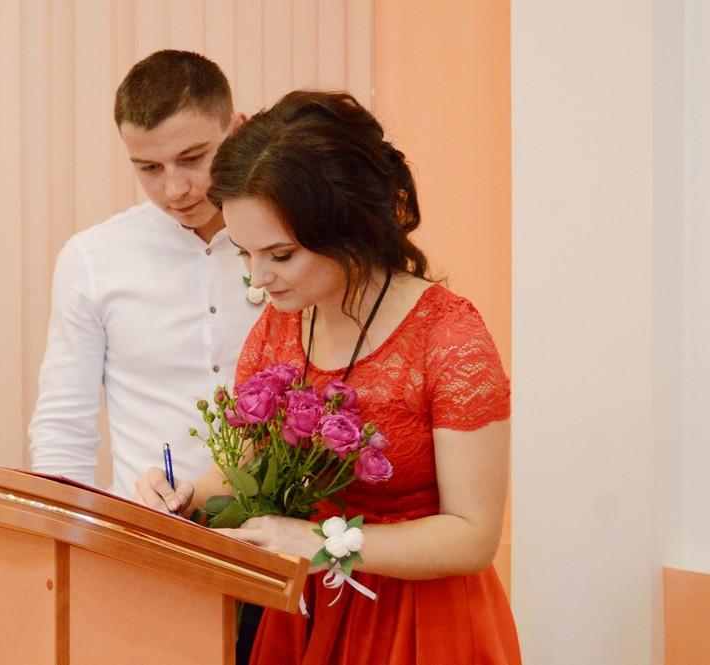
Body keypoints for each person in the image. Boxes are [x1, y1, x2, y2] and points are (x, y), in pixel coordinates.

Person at [134, 90, 521, 664]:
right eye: (244, 254)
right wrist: (187, 496)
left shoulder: (449, 339)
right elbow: (244, 466)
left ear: (350, 231)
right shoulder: (278, 328)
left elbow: (472, 536)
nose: (258, 279)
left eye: (280, 255)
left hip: (420, 624)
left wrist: (323, 542)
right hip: (308, 614)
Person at [27, 50, 262, 497]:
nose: (174, 189)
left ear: (237, 130)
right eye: (150, 168)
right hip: (144, 526)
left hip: (280, 529)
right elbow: (63, 427)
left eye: (192, 158)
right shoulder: (91, 258)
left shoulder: (292, 248)